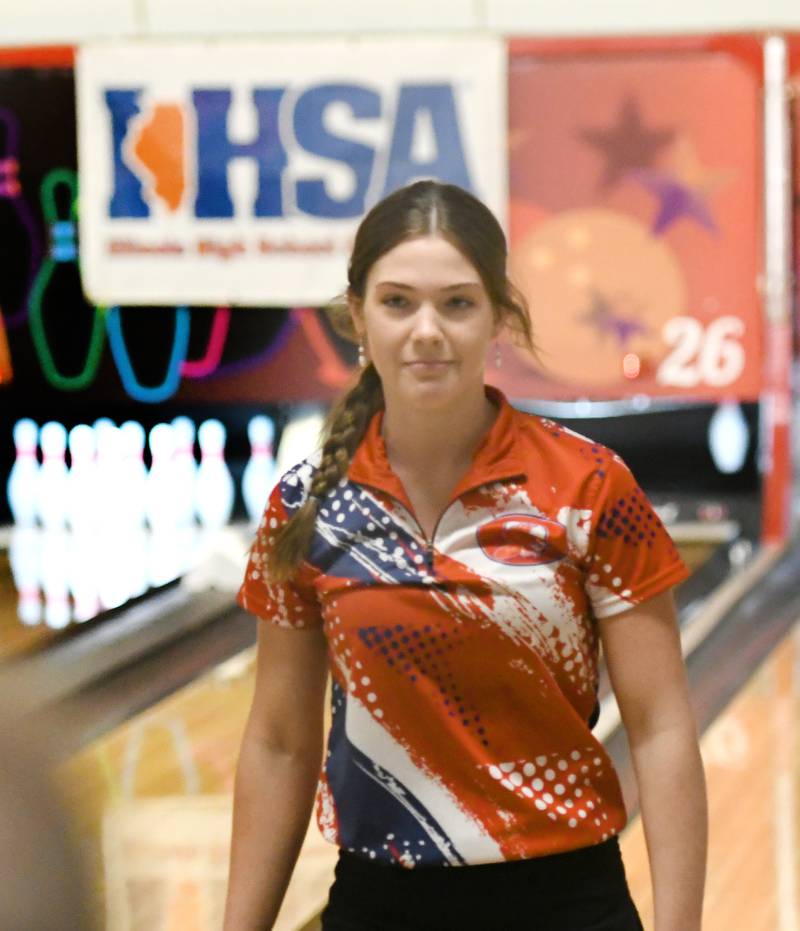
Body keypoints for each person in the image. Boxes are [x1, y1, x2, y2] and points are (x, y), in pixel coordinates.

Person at [223, 180, 708, 931]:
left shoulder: (590, 486)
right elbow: (280, 742)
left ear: (498, 319)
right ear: (357, 316)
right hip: (380, 903)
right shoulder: (307, 507)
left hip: (566, 902)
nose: (427, 330)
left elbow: (662, 724)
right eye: (397, 302)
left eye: (456, 302)